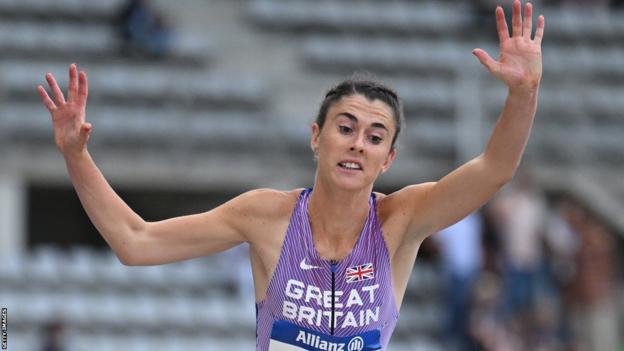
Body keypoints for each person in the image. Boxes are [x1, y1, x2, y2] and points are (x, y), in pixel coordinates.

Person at [37, 1, 544, 350]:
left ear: (387, 160)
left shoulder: (401, 219)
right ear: (316, 137)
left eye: (374, 136)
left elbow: (495, 168)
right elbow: (136, 241)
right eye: (345, 127)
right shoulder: (266, 216)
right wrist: (76, 156)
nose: (356, 144)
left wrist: (522, 94)